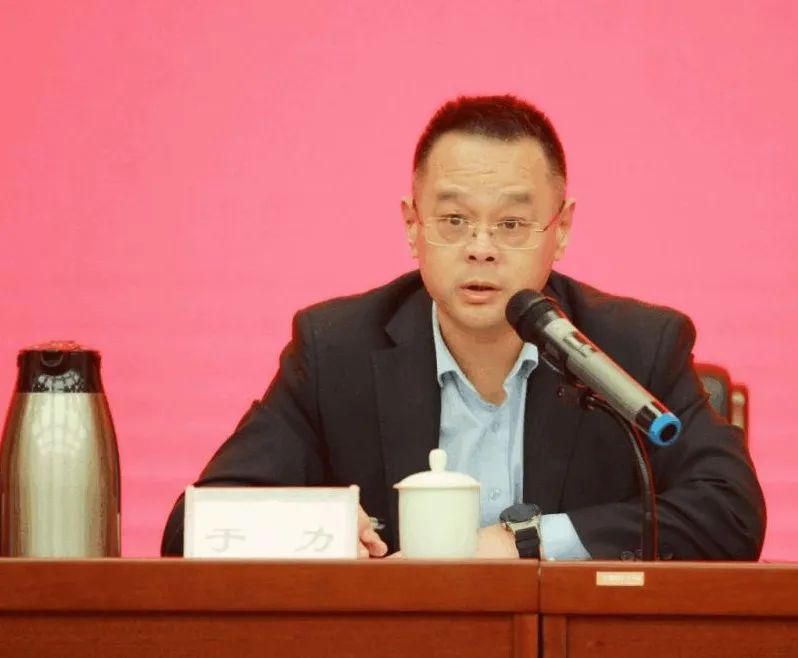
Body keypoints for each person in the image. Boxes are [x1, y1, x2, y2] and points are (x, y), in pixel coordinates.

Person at [161, 94, 765, 560]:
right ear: (412, 226)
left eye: (511, 224)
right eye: (453, 220)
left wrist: (525, 543)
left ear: (561, 230)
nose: (480, 248)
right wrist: (317, 530)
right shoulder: (335, 351)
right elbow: (193, 526)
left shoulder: (634, 347)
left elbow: (730, 513)